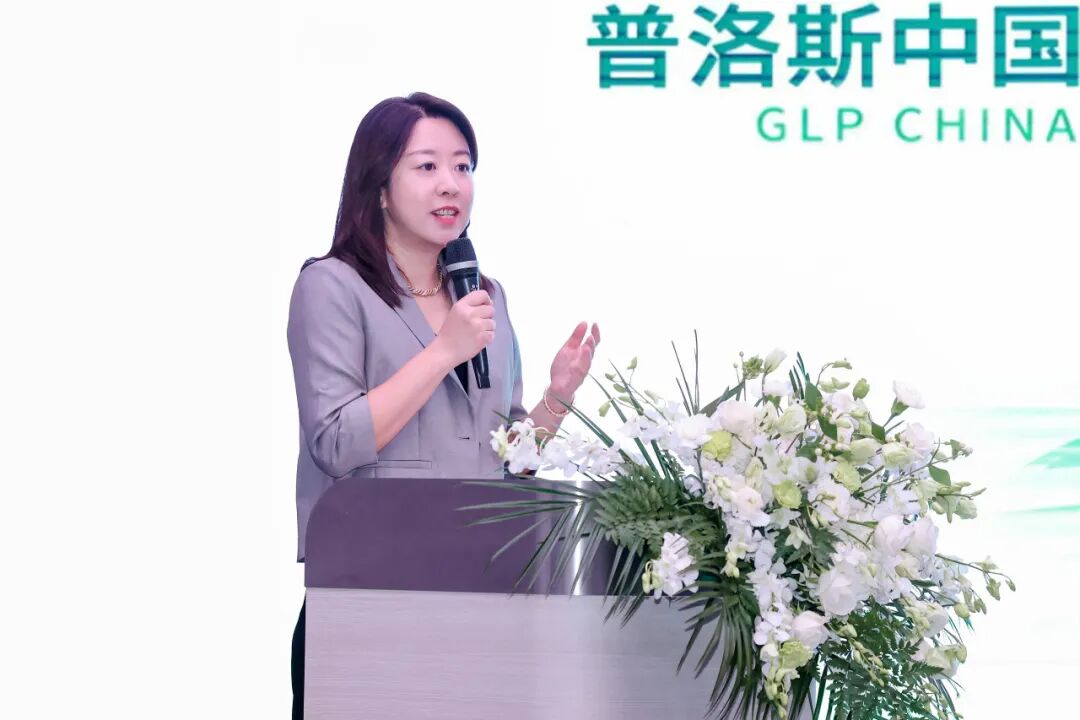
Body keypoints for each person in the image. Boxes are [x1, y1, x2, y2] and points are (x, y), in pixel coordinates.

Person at [285, 91, 601, 719]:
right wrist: (442, 352)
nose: (450, 184)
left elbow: (508, 460)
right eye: (426, 166)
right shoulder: (331, 285)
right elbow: (336, 442)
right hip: (366, 597)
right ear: (379, 186)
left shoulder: (483, 295)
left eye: (462, 166)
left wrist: (557, 399)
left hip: (475, 598)